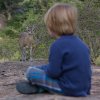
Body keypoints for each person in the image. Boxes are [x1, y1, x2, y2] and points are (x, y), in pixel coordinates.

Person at [16, 3, 92, 97]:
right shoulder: (82, 44)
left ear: (52, 26)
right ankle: (39, 88)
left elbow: (53, 73)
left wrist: (39, 71)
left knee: (31, 72)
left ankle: (39, 86)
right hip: (84, 88)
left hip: (67, 88)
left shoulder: (57, 45)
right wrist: (42, 68)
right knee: (39, 68)